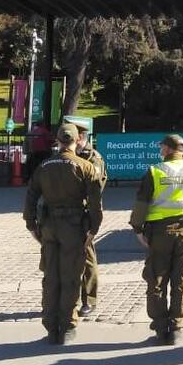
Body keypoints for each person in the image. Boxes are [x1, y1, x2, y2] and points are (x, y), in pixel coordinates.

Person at [23, 124, 104, 345]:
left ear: (58, 141)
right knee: (70, 277)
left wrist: (31, 225)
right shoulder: (85, 166)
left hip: (49, 227)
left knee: (51, 277)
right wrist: (93, 229)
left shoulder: (44, 166)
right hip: (75, 227)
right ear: (77, 140)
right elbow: (96, 203)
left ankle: (51, 327)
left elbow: (30, 196)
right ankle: (67, 327)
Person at [129, 134, 183, 345]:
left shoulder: (155, 171)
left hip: (160, 233)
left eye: (161, 147)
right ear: (182, 150)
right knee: (181, 279)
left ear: (166, 149)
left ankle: (160, 327)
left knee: (156, 280)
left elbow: (141, 203)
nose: (160, 150)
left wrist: (137, 229)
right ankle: (177, 328)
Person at [66, 118, 108, 317]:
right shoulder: (66, 155)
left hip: (84, 215)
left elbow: (95, 191)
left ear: (81, 137)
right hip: (66, 215)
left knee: (87, 258)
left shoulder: (93, 158)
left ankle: (89, 300)